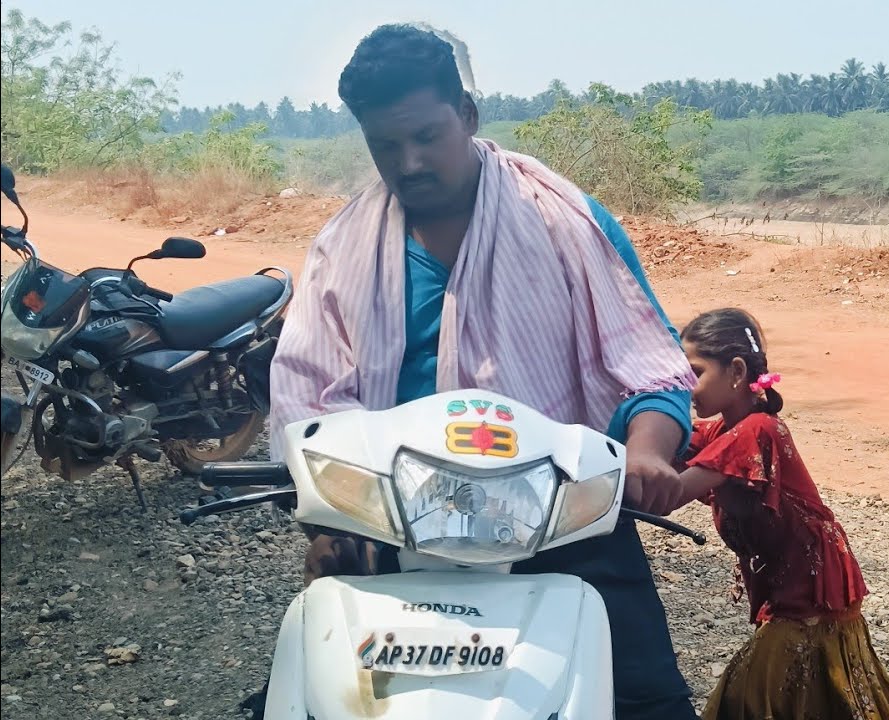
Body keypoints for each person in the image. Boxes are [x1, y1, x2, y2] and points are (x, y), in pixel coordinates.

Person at [269, 24, 699, 720]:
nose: (407, 162)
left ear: (467, 115)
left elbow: (650, 364)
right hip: (396, 518)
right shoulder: (342, 248)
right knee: (309, 697)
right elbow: (309, 396)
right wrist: (331, 522)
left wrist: (649, 454)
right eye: (385, 144)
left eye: (426, 136)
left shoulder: (564, 220)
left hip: (559, 513)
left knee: (648, 702)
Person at [673, 308, 889, 720]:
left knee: (745, 699)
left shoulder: (756, 431)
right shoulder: (724, 431)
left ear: (735, 371)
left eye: (693, 372)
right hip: (803, 593)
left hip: (811, 598)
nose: (684, 387)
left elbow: (668, 494)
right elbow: (674, 437)